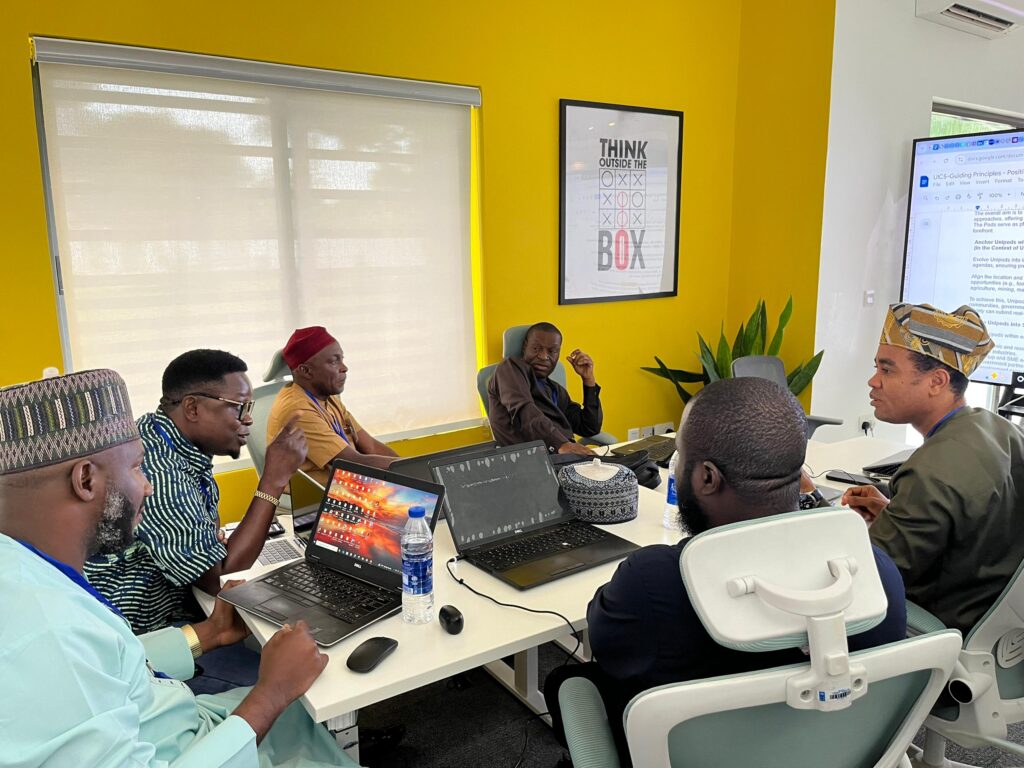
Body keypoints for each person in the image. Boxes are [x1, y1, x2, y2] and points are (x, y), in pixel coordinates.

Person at [0, 369, 356, 767]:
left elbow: (112, 663)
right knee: (300, 703)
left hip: (170, 713)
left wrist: (209, 633)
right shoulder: (46, 630)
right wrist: (270, 695)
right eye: (137, 468)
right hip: (182, 747)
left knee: (304, 708)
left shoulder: (25, 569)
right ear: (85, 480)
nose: (147, 486)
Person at [543, 377, 907, 763]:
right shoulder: (875, 573)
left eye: (680, 456)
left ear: (707, 477)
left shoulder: (653, 584)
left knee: (569, 681)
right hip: (828, 752)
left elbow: (606, 645)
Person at [85, 349, 307, 634]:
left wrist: (208, 543)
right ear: (192, 408)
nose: (249, 419)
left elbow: (210, 534)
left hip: (177, 605)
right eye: (240, 407)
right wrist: (273, 479)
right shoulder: (161, 472)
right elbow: (220, 579)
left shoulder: (165, 437)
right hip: (146, 634)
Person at [841, 303, 1024, 634]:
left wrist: (811, 503)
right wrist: (897, 511)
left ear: (937, 381)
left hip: (944, 627)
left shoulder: (929, 472)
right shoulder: (1005, 431)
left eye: (887, 370)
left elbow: (867, 576)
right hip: (998, 627)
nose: (873, 381)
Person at [267, 326, 398, 486]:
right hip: (318, 494)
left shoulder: (327, 397)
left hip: (346, 485)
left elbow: (370, 446)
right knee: (415, 499)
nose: (344, 368)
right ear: (306, 371)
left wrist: (410, 467)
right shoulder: (297, 410)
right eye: (334, 361)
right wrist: (410, 472)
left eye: (342, 359)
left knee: (419, 494)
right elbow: (353, 463)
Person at [487, 322, 602, 455]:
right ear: (525, 347)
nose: (543, 356)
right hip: (529, 460)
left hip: (563, 458)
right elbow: (524, 410)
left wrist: (588, 380)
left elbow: (589, 427)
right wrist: (561, 444)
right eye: (536, 348)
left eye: (552, 351)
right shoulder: (509, 369)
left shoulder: (555, 390)